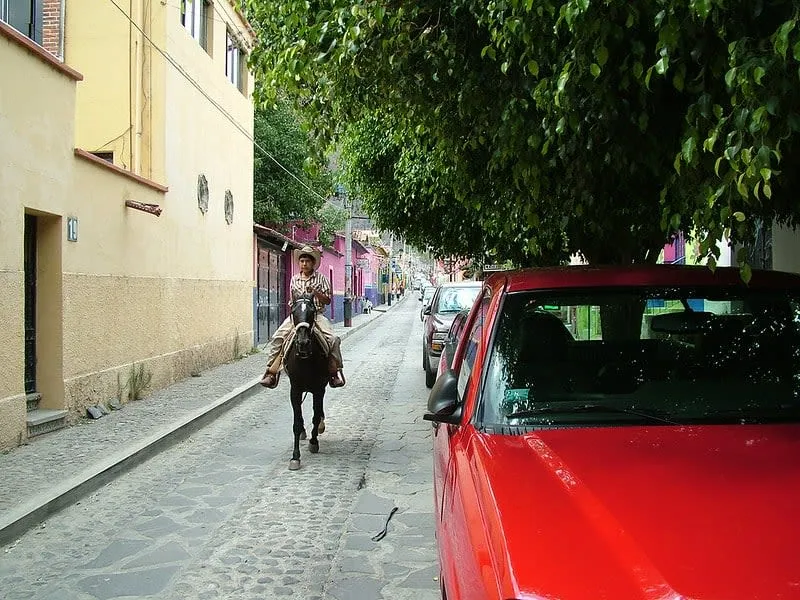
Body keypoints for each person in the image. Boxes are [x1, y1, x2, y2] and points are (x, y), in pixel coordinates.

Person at [260, 245, 345, 389]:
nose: (304, 264)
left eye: (307, 261)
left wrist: (316, 293)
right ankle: (271, 373)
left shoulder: (321, 279)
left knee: (333, 339)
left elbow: (328, 300)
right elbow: (292, 301)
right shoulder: (294, 280)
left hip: (316, 315)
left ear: (313, 263)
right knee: (278, 337)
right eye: (302, 261)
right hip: (298, 316)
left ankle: (334, 372)